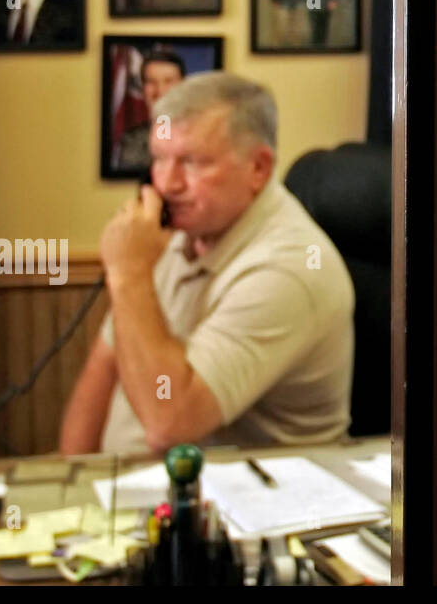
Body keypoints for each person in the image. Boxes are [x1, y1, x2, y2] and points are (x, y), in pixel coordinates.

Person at [59, 73, 355, 455]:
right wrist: (71, 480)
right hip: (136, 488)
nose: (167, 184)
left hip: (258, 501)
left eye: (191, 162)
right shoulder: (182, 229)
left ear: (259, 168)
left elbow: (170, 424)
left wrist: (129, 273)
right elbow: (104, 365)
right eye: (160, 159)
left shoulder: (290, 270)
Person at [112, 48, 187, 172]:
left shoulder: (201, 137)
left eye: (168, 81)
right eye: (151, 82)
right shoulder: (131, 140)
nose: (160, 91)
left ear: (183, 85)